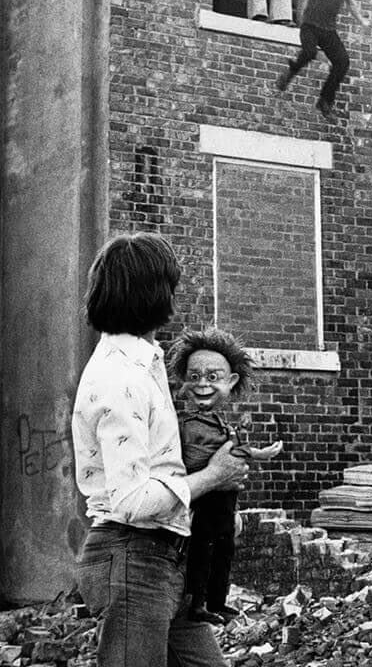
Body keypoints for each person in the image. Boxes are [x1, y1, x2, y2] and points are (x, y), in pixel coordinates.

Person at [72, 233, 249, 666]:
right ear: (155, 295)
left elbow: (160, 470)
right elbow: (132, 501)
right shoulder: (121, 379)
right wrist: (212, 477)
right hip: (132, 557)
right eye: (171, 286)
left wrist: (206, 508)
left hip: (165, 555)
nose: (175, 296)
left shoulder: (144, 364)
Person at [168, 327, 284, 624]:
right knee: (200, 556)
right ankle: (196, 604)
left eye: (212, 377)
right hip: (204, 503)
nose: (203, 384)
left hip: (225, 505)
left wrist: (257, 454)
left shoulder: (222, 423)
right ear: (183, 383)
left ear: (231, 382)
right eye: (194, 377)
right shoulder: (184, 425)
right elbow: (193, 462)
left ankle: (217, 601)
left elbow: (234, 452)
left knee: (224, 553)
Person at [256, 0, 368, 122]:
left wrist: (361, 19)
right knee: (308, 52)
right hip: (310, 28)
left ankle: (325, 101)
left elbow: (352, 5)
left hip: (328, 32)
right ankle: (287, 76)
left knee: (343, 62)